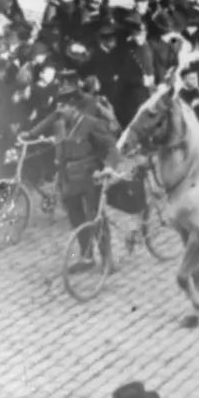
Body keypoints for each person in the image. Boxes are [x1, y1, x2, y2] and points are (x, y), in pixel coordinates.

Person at [21, 70, 122, 272]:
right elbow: (48, 120)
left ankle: (107, 259)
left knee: (95, 217)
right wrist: (31, 134)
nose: (58, 109)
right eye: (59, 105)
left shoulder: (90, 122)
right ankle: (86, 256)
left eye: (63, 105)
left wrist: (109, 167)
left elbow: (112, 146)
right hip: (68, 177)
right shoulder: (60, 120)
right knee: (75, 217)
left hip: (91, 175)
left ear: (73, 106)